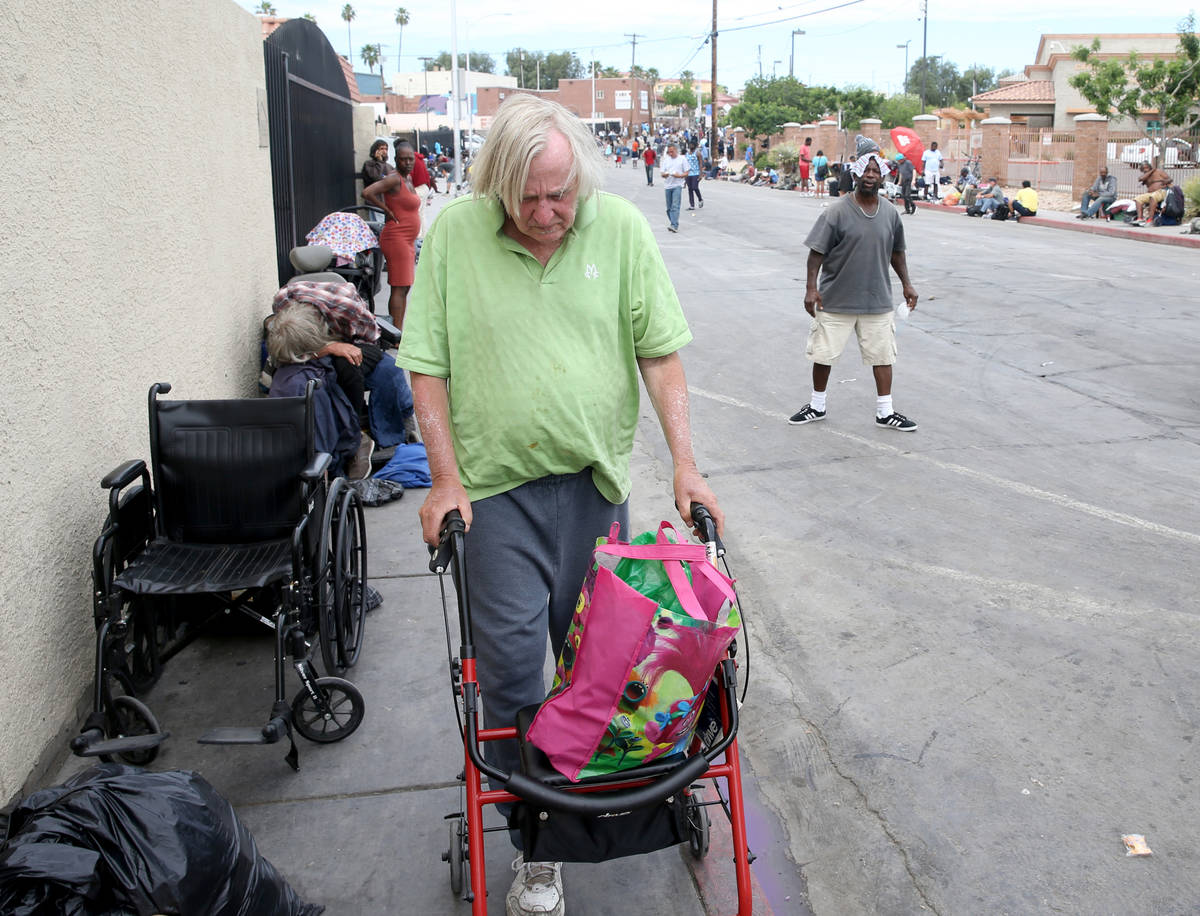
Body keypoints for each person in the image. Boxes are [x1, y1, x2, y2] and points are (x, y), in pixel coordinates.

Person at [395, 92, 723, 916]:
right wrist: (443, 479)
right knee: (509, 680)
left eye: (560, 195)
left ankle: (595, 808)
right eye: (528, 198)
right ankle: (534, 849)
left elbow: (659, 354)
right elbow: (425, 364)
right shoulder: (457, 237)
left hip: (593, 488)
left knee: (604, 674)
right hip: (495, 496)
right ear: (496, 184)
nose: (546, 213)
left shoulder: (619, 230)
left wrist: (686, 464)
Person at [789, 136, 919, 433]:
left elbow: (897, 253)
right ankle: (817, 405)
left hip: (877, 300)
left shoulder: (889, 213)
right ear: (856, 174)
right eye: (866, 171)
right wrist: (811, 288)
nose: (871, 176)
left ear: (883, 175)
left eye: (877, 171)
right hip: (836, 299)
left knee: (883, 356)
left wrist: (907, 285)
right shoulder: (835, 212)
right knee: (824, 354)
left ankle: (885, 412)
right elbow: (816, 253)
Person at [270, 279, 417, 478]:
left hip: (359, 340)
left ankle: (367, 434)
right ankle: (354, 437)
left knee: (358, 367)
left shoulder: (346, 308)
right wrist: (327, 348)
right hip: (316, 341)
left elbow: (370, 336)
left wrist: (338, 346)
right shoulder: (284, 301)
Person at [363, 140, 422, 328]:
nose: (408, 163)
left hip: (407, 239)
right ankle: (396, 332)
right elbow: (368, 192)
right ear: (396, 160)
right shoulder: (394, 178)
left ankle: (398, 328)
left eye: (410, 159)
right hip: (396, 238)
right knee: (399, 286)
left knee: (404, 286)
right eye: (403, 159)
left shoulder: (408, 179)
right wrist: (385, 210)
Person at [661, 142, 688, 232]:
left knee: (675, 206)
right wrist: (665, 174)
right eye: (669, 152)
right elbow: (662, 173)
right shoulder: (666, 160)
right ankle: (673, 221)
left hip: (677, 185)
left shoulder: (682, 159)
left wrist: (679, 176)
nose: (670, 154)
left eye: (672, 152)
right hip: (668, 185)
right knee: (669, 208)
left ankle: (674, 225)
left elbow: (687, 172)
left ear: (676, 150)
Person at [685, 142, 704, 210]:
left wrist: (701, 174)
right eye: (690, 144)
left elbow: (701, 163)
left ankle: (700, 199)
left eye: (692, 144)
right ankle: (692, 205)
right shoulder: (687, 154)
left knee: (695, 187)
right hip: (688, 174)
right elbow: (685, 164)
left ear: (695, 145)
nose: (690, 145)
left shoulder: (698, 153)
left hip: (695, 173)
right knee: (690, 189)